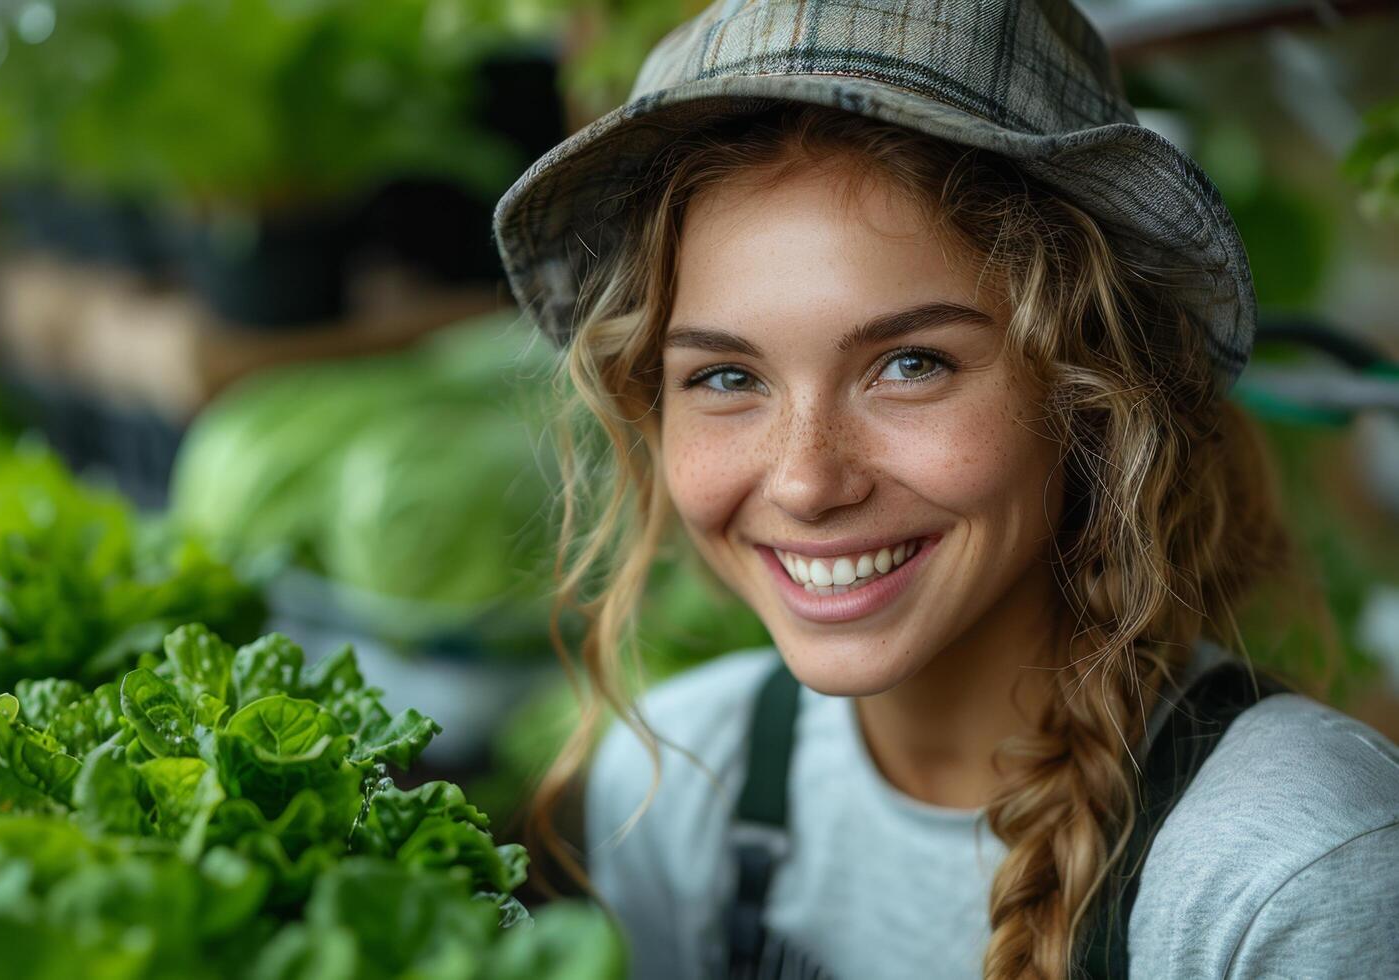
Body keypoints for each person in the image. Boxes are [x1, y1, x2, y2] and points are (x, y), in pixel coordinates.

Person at [490, 1, 1399, 978]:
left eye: (911, 363)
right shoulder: (678, 778)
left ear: (1095, 390)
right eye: (726, 377)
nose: (805, 480)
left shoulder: (1287, 867)